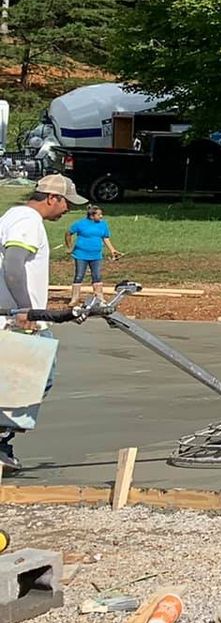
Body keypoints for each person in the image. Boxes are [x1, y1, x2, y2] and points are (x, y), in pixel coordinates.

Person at [1, 174, 86, 468]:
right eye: (67, 204)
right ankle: (0, 440)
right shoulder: (27, 222)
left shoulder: (14, 216)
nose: (68, 211)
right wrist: (26, 310)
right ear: (53, 198)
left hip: (16, 316)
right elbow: (13, 266)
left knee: (23, 382)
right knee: (35, 380)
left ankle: (2, 440)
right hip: (19, 319)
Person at [64, 202, 121, 303]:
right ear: (92, 216)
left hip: (96, 255)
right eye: (99, 215)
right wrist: (69, 247)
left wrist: (112, 249)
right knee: (79, 275)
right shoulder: (80, 224)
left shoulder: (103, 225)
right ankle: (74, 298)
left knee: (97, 275)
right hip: (81, 254)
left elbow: (105, 238)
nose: (101, 216)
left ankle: (99, 297)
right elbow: (68, 233)